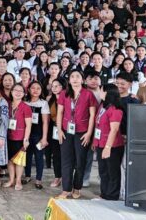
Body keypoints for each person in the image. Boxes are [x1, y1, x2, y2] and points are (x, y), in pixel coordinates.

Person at [56, 70, 98, 199]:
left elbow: (92, 116)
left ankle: (77, 187)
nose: (75, 79)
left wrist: (89, 133)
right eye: (72, 77)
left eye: (77, 77)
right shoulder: (64, 94)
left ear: (82, 80)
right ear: (69, 80)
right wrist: (59, 130)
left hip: (82, 132)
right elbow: (60, 113)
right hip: (66, 131)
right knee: (66, 161)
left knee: (80, 161)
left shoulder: (88, 94)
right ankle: (66, 189)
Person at [94, 84, 125, 200]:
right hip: (100, 143)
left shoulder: (115, 109)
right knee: (103, 171)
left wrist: (108, 147)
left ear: (107, 92)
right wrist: (95, 142)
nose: (99, 93)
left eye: (101, 90)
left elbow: (114, 130)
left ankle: (112, 196)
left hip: (112, 146)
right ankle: (104, 194)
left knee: (112, 172)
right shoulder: (103, 105)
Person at [3, 83, 32, 191]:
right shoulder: (7, 104)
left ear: (24, 94)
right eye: (16, 90)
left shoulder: (26, 107)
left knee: (19, 161)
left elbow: (29, 125)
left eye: (21, 91)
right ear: (11, 92)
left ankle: (18, 180)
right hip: (8, 137)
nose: (18, 92)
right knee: (10, 160)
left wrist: (26, 139)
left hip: (20, 138)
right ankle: (11, 180)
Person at [23, 81, 50, 189]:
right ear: (29, 89)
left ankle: (39, 179)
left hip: (38, 135)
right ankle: (27, 175)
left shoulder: (43, 103)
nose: (35, 90)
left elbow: (45, 122)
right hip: (27, 134)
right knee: (27, 156)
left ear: (41, 90)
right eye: (33, 88)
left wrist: (44, 138)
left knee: (39, 157)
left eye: (38, 88)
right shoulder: (25, 102)